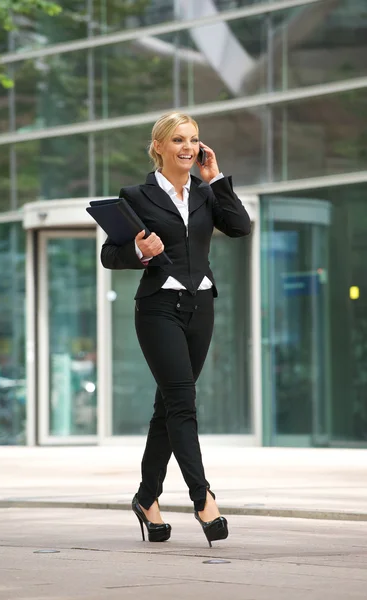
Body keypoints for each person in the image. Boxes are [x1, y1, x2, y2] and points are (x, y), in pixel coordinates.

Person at [101, 111, 251, 547]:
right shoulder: (137, 195)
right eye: (179, 140)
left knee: (168, 408)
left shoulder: (206, 193)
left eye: (194, 139)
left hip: (200, 306)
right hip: (158, 308)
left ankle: (147, 499)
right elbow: (111, 254)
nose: (188, 147)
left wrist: (217, 177)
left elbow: (240, 227)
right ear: (160, 147)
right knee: (183, 402)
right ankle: (202, 497)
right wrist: (138, 249)